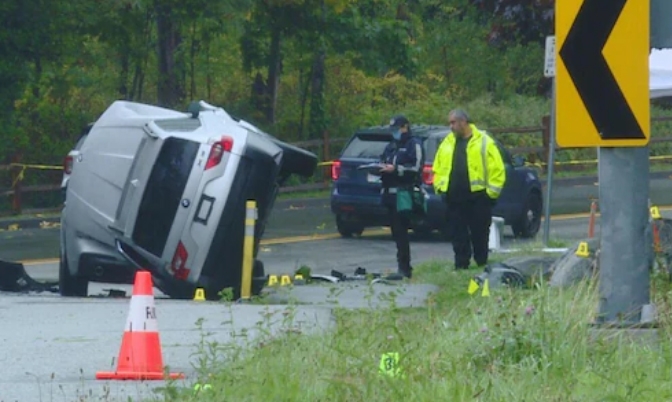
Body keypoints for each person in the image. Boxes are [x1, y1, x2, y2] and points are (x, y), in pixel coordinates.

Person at [432, 109, 506, 270]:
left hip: (478, 197)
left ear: (463, 122)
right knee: (457, 233)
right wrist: (440, 188)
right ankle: (461, 264)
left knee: (479, 233)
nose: (450, 126)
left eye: (453, 122)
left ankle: (481, 262)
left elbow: (497, 169)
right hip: (454, 197)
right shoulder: (448, 142)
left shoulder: (484, 141)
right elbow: (438, 166)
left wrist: (490, 194)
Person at [378, 114, 425, 279]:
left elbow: (416, 168)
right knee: (396, 233)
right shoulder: (391, 146)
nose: (395, 132)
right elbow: (383, 160)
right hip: (389, 195)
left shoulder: (414, 144)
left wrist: (396, 169)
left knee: (403, 231)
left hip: (405, 194)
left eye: (397, 129)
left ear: (405, 127)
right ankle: (401, 266)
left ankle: (405, 268)